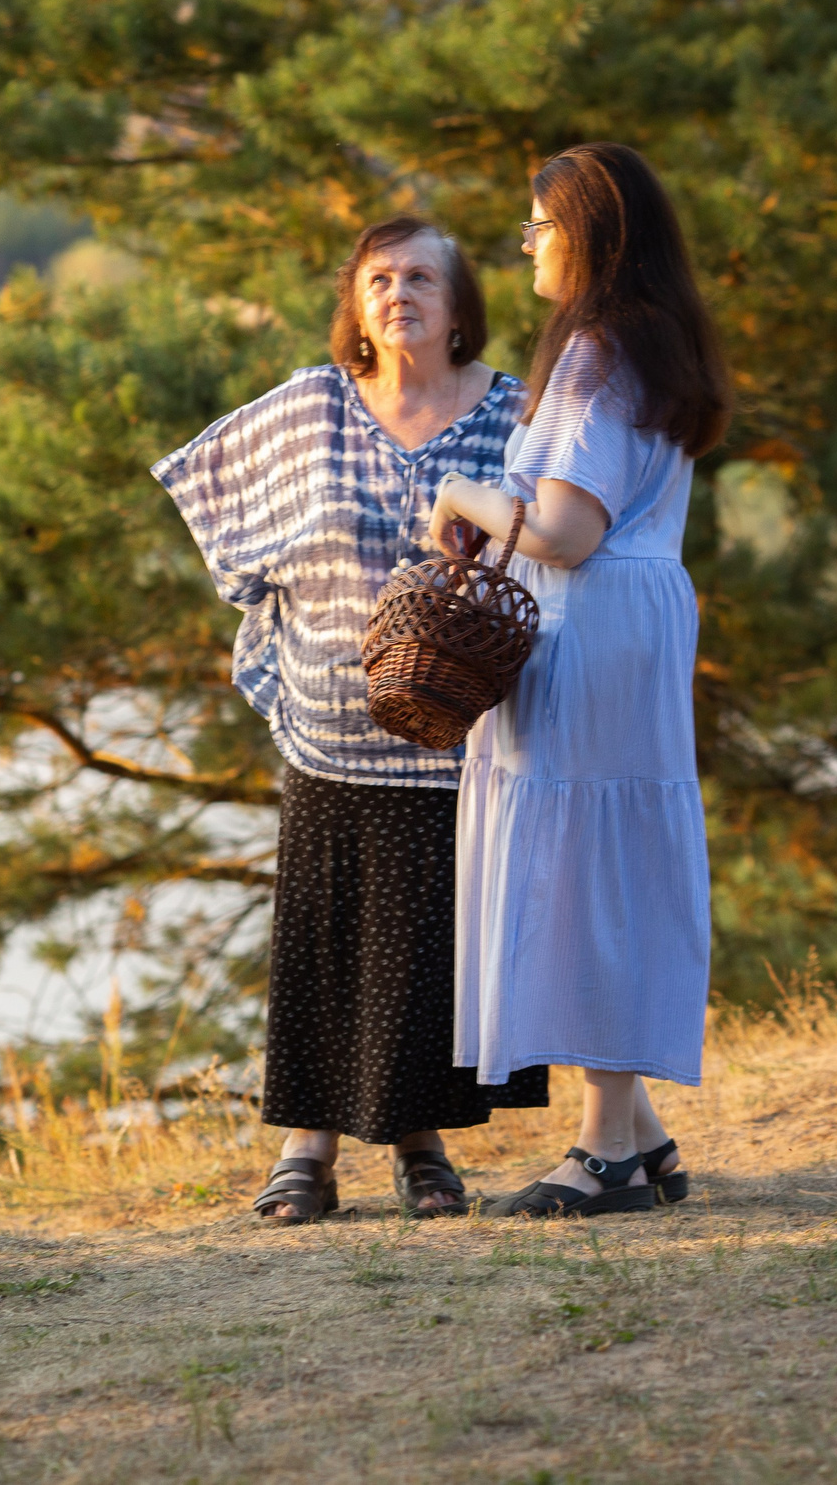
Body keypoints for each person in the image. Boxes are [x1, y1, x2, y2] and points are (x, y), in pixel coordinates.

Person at [155, 216, 547, 1225]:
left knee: (425, 951)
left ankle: (421, 1146)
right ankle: (308, 1150)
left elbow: (558, 544)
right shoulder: (310, 408)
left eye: (422, 276)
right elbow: (210, 498)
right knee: (325, 945)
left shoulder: (515, 414)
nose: (397, 293)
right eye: (378, 278)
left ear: (460, 307)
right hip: (328, 733)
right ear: (354, 304)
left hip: (460, 736)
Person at [429, 142, 733, 1217]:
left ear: (591, 237)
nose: (525, 245)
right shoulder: (652, 341)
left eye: (539, 226)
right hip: (634, 616)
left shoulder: (599, 352)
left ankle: (603, 1147)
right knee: (605, 859)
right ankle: (638, 1136)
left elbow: (560, 529)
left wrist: (463, 499)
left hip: (591, 620)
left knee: (583, 868)